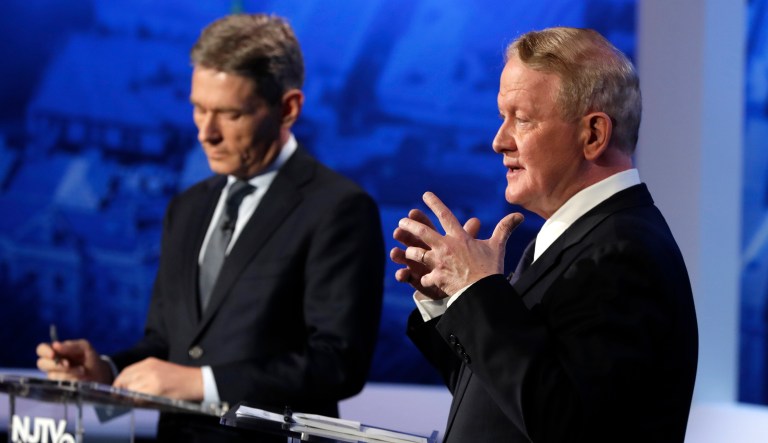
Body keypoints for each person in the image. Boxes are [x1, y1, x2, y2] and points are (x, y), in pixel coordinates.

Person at [36, 13, 385, 442]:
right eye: (199, 109)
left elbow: (338, 364)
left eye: (230, 114)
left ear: (288, 108)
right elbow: (167, 344)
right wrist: (106, 371)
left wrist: (201, 384)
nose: (206, 133)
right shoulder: (187, 208)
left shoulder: (339, 209)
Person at [391, 27, 698, 443]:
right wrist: (452, 299)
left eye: (522, 119)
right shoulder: (573, 237)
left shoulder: (624, 254)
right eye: (502, 117)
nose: (499, 141)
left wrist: (478, 292)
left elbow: (567, 423)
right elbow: (502, 402)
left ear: (593, 135)